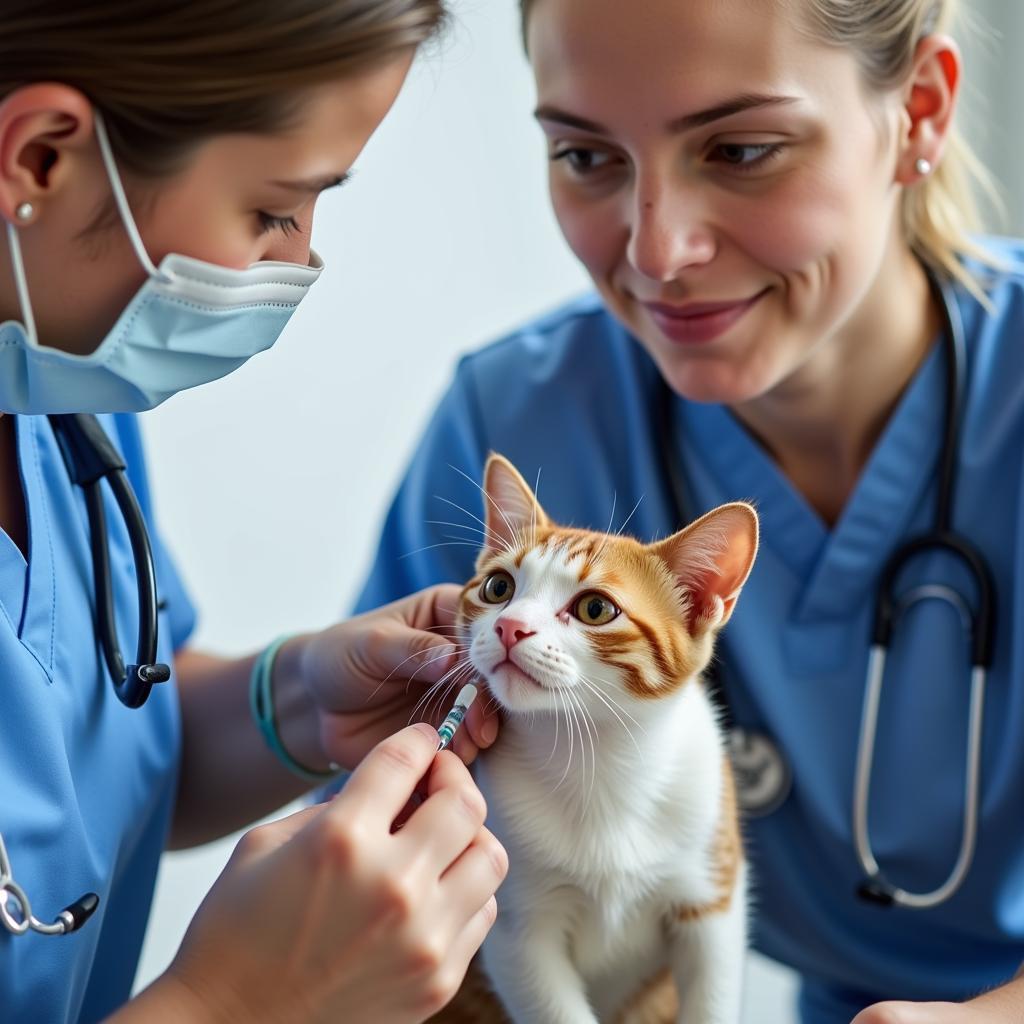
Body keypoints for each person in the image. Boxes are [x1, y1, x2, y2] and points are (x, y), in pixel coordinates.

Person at [351, 0, 1024, 1021]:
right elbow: (390, 860)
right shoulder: (518, 415)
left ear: (919, 110)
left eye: (741, 148)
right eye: (585, 157)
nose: (656, 250)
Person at [0, 3, 507, 1022]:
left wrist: (296, 703)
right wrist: (241, 1000)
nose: (300, 262)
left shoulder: (60, 398)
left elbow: (88, 749)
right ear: (43, 159)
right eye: (278, 209)